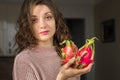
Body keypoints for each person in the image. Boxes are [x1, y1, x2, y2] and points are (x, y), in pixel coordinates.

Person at [13, 0, 94, 80]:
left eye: (48, 17)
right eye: (34, 20)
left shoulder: (67, 52)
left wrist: (79, 67)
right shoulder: (24, 60)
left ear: (56, 20)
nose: (43, 25)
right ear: (27, 25)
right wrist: (62, 78)